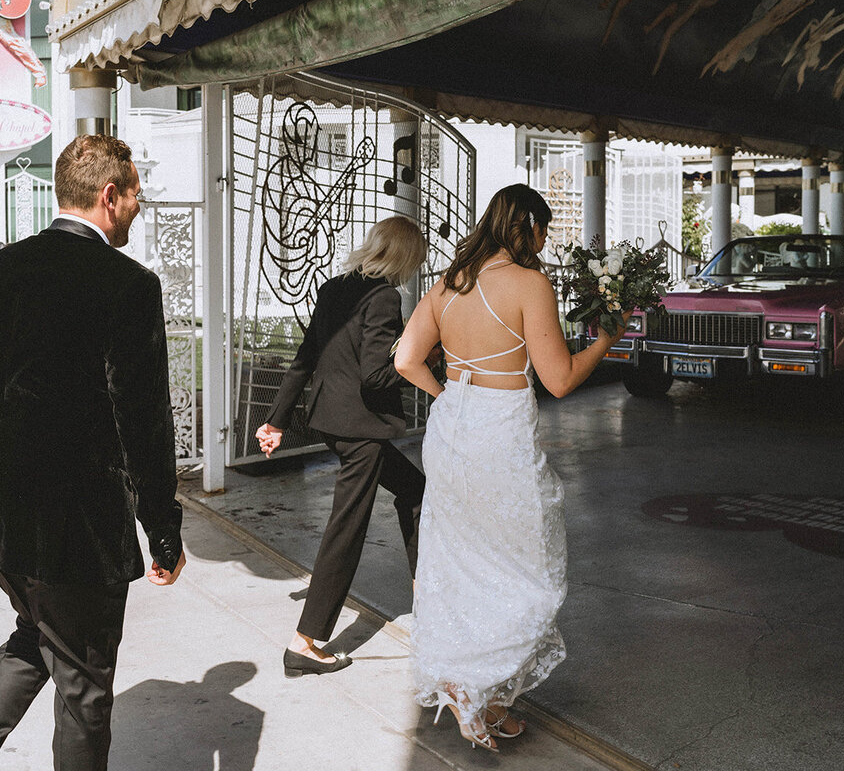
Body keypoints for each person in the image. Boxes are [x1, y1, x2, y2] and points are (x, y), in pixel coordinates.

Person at [0, 134, 185, 771]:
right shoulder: (128, 285)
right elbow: (146, 421)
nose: (138, 205)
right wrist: (163, 530)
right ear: (110, 196)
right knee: (85, 686)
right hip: (71, 528)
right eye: (135, 195)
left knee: (39, 637)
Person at [393, 184, 623, 752]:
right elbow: (560, 379)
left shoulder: (449, 284)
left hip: (451, 429)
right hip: (499, 432)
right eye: (544, 231)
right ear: (529, 228)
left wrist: (446, 394)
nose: (545, 243)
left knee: (461, 560)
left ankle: (477, 689)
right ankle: (477, 689)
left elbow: (404, 359)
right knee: (527, 571)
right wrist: (605, 343)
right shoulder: (527, 284)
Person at [255, 216, 430, 678]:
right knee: (346, 530)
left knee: (415, 490)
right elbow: (377, 375)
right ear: (405, 256)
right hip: (361, 430)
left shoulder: (336, 287)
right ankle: (305, 641)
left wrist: (275, 421)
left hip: (333, 423)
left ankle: (427, 594)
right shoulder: (385, 296)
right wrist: (422, 351)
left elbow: (305, 358)